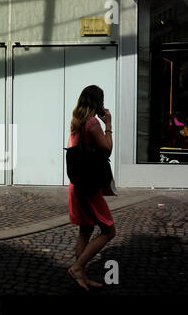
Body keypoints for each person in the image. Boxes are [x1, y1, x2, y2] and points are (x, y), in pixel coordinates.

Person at [67, 85, 116, 291]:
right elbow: (106, 150)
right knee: (109, 230)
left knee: (85, 232)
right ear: (99, 102)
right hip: (89, 187)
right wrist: (109, 125)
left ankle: (83, 277)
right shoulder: (93, 123)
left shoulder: (76, 122)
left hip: (78, 184)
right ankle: (77, 268)